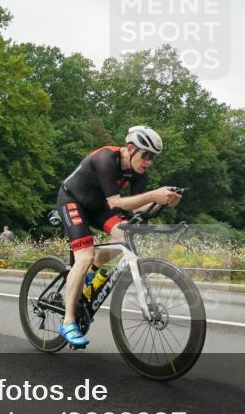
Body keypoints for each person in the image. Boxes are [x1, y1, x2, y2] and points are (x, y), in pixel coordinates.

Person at [56, 125, 181, 348]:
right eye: (147, 156)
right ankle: (68, 322)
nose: (149, 162)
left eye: (153, 158)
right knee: (83, 256)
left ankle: (89, 270)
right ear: (130, 148)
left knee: (124, 236)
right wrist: (154, 194)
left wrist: (163, 202)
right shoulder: (106, 159)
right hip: (73, 200)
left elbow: (137, 210)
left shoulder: (139, 172)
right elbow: (116, 203)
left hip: (99, 207)